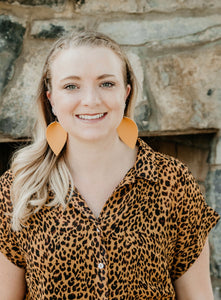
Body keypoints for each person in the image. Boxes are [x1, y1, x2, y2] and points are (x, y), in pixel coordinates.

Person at [0, 30, 219, 300]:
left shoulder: (172, 181)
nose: (91, 100)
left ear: (126, 93)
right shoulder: (17, 188)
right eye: (71, 86)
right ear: (51, 99)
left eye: (107, 83)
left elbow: (199, 296)